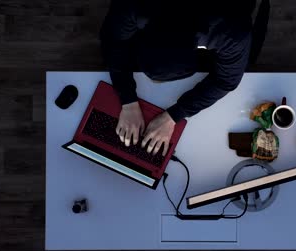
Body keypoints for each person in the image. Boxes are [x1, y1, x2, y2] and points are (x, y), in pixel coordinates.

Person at [100, 0, 255, 157]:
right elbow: (114, 43)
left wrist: (175, 115)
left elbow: (226, 81)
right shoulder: (131, 7)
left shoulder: (232, 31)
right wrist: (127, 99)